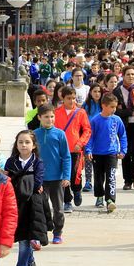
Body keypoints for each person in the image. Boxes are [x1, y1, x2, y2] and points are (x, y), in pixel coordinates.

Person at [3, 131, 49, 266]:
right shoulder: (11, 162)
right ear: (16, 144)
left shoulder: (38, 163)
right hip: (15, 204)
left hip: (32, 205)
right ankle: (30, 262)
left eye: (27, 142)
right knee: (23, 238)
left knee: (25, 240)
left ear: (33, 145)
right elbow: (6, 181)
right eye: (20, 142)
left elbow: (37, 184)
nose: (24, 145)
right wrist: (23, 180)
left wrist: (17, 179)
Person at [32, 105, 71, 245]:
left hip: (57, 179)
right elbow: (31, 157)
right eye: (46, 117)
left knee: (58, 209)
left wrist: (66, 176)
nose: (50, 119)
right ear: (39, 118)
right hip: (40, 179)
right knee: (40, 208)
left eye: (52, 116)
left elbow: (66, 156)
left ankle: (58, 232)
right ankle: (39, 234)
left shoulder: (60, 134)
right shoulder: (34, 135)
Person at [86, 93, 128, 212]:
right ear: (103, 106)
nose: (114, 109)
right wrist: (88, 150)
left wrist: (123, 150)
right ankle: (99, 196)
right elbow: (90, 137)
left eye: (115, 107)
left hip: (112, 153)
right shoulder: (95, 120)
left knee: (111, 177)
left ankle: (110, 200)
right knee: (99, 177)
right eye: (111, 107)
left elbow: (122, 135)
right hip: (98, 153)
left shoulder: (117, 120)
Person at [53, 85, 92, 213]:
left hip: (75, 149)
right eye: (69, 98)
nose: (72, 101)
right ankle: (67, 200)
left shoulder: (80, 112)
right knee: (64, 175)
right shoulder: (56, 113)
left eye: (74, 98)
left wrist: (81, 143)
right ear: (62, 98)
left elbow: (87, 130)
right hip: (61, 149)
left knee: (75, 174)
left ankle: (76, 190)